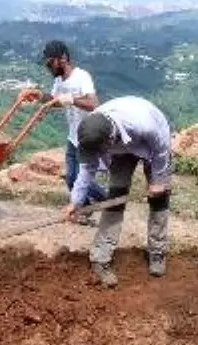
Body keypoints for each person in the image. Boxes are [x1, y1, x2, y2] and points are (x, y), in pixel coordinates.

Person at [64, 96, 173, 288]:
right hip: (120, 150)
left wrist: (158, 181)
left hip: (151, 145)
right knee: (115, 199)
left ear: (108, 141)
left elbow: (162, 149)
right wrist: (76, 201)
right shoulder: (91, 131)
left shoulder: (145, 126)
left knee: (159, 198)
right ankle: (100, 258)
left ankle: (157, 252)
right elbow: (87, 168)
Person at [31, 40, 108, 221]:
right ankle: (86, 209)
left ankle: (109, 199)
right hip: (73, 136)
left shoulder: (82, 76)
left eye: (51, 63)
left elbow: (93, 104)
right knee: (71, 179)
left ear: (63, 58)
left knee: (80, 178)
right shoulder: (59, 80)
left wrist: (72, 99)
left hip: (88, 137)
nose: (48, 67)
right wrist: (39, 96)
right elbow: (55, 100)